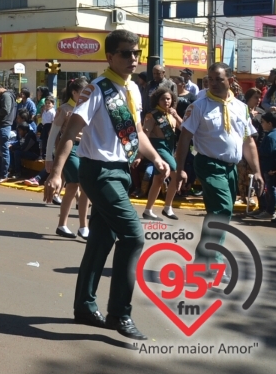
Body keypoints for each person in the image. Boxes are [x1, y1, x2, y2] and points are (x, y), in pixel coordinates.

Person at [47, 29, 169, 341]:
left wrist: (156, 158)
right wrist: (57, 173)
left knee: (101, 240)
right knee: (133, 235)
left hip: (120, 172)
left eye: (136, 53)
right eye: (127, 53)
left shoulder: (133, 90)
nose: (133, 59)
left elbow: (138, 131)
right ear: (110, 57)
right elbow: (71, 130)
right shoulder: (97, 89)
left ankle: (85, 306)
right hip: (98, 172)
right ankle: (119, 314)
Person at [175, 63, 264, 273]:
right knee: (222, 209)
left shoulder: (241, 107)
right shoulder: (198, 106)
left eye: (218, 79)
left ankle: (203, 262)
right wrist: (179, 169)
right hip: (208, 163)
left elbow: (248, 142)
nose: (213, 83)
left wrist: (257, 171)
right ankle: (211, 262)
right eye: (210, 79)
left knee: (221, 213)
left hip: (230, 167)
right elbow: (184, 137)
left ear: (230, 81)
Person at [45, 77, 90, 239]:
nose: (87, 96)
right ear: (74, 92)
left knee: (78, 187)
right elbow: (53, 134)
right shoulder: (64, 109)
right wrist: (48, 157)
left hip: (86, 148)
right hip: (68, 147)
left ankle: (73, 225)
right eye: (83, 93)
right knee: (78, 183)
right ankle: (73, 225)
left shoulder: (88, 107)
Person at [142, 88, 184, 221]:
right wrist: (142, 153)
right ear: (157, 100)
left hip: (169, 147)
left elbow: (184, 128)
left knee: (158, 179)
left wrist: (176, 115)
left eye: (168, 99)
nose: (166, 101)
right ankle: (168, 207)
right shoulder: (152, 114)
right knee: (177, 174)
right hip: (158, 148)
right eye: (163, 99)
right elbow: (145, 133)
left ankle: (148, 210)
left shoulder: (171, 114)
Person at [254, 111, 276, 220]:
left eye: (263, 122)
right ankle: (267, 209)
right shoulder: (271, 135)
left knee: (271, 189)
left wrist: (258, 150)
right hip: (268, 167)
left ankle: (270, 211)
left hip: (270, 168)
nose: (261, 124)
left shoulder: (271, 137)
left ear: (269, 123)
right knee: (269, 189)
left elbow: (268, 153)